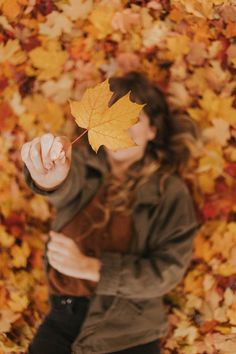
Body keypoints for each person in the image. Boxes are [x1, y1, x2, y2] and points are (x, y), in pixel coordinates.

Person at [21, 71, 202, 354]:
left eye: (134, 119)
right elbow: (63, 185)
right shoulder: (83, 165)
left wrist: (91, 267)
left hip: (129, 330)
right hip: (63, 318)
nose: (121, 127)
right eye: (110, 116)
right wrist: (47, 176)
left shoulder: (170, 192)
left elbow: (166, 271)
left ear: (153, 130)